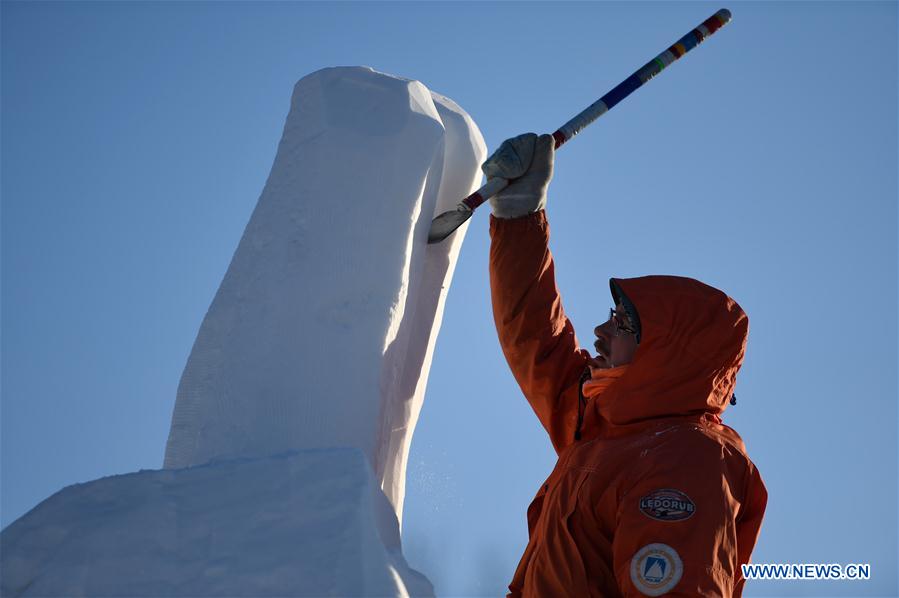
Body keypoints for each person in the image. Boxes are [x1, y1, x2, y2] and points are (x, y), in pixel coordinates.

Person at [484, 133, 767, 597]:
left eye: (623, 325)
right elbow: (536, 339)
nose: (601, 331)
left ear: (667, 355)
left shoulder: (684, 458)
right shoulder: (606, 425)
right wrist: (519, 214)